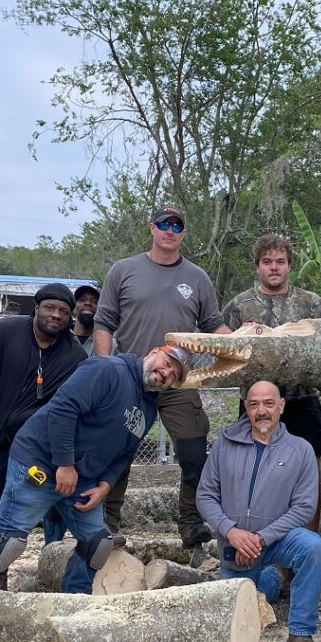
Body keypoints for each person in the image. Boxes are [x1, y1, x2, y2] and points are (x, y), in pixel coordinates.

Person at [0, 344, 194, 642]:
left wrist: (105, 485)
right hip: (40, 462)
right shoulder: (107, 370)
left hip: (83, 481)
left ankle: (67, 621)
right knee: (6, 543)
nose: (166, 374)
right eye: (167, 364)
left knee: (97, 545)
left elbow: (125, 453)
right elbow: (64, 410)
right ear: (154, 353)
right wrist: (64, 464)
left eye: (174, 376)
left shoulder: (149, 407)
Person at [93, 205, 232, 558]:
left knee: (193, 454)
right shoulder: (124, 270)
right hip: (132, 379)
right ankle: (106, 527)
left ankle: (193, 528)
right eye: (163, 224)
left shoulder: (197, 277)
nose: (169, 230)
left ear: (184, 233)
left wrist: (246, 344)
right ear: (151, 227)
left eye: (177, 225)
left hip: (178, 382)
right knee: (117, 454)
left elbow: (214, 324)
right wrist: (106, 369)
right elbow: (104, 322)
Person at [197, 381, 321, 642]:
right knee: (230, 619)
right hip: (235, 546)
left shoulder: (300, 450)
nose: (262, 411)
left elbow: (304, 506)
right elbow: (205, 495)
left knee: (313, 547)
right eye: (254, 404)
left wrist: (261, 538)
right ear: (246, 408)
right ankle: (269, 580)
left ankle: (301, 633)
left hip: (276, 540)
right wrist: (231, 531)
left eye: (269, 403)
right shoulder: (224, 445)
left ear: (281, 405)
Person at [0, 283, 87, 566]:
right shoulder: (1, 332)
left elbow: (74, 407)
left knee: (43, 505)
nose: (55, 315)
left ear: (70, 318)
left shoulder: (75, 356)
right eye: (50, 308)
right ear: (36, 308)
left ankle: (52, 555)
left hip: (36, 449)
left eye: (63, 311)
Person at [221, 234, 321, 530]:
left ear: (289, 266)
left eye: (280, 262)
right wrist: (238, 336)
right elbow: (223, 352)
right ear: (257, 266)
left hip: (302, 400)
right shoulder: (238, 306)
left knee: (309, 472)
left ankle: (308, 543)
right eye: (267, 262)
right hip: (256, 404)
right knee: (252, 471)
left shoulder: (312, 303)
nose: (274, 268)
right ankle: (253, 541)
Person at [72, 284, 112, 357]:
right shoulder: (61, 339)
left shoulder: (110, 344)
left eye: (94, 301)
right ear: (74, 307)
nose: (88, 303)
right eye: (82, 299)